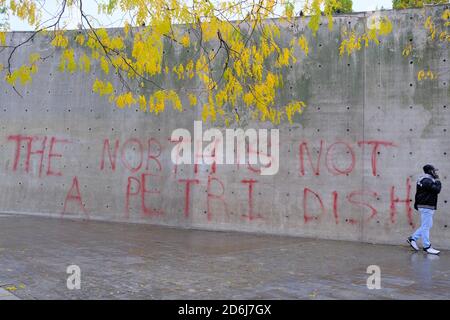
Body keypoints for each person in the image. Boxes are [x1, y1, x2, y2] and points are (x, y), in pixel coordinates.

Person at [407, 164, 442, 255]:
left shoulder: (423, 179)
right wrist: (438, 181)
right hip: (427, 206)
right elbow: (437, 190)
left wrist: (416, 203)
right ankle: (427, 247)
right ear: (430, 171)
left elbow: (418, 193)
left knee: (427, 225)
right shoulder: (427, 181)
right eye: (434, 170)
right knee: (426, 226)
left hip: (425, 205)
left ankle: (413, 238)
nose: (435, 172)